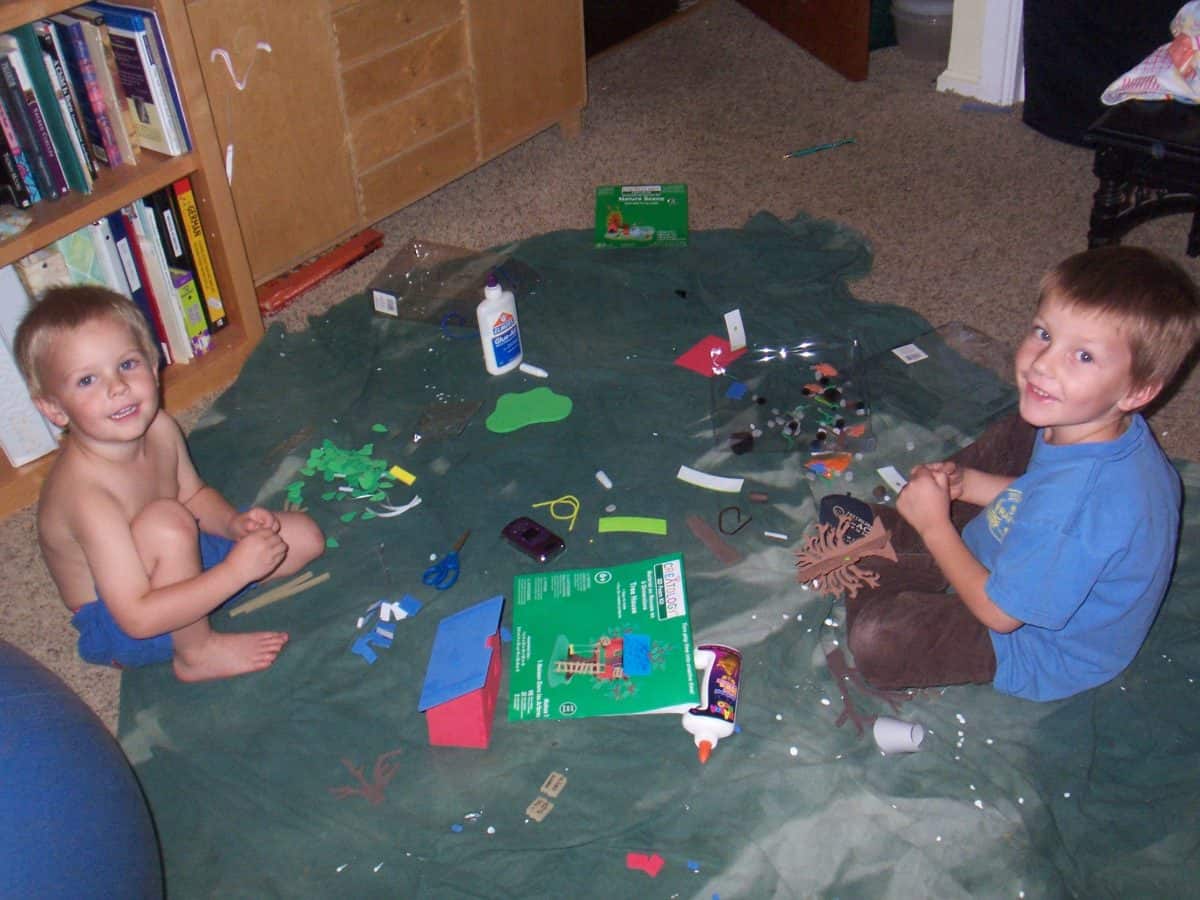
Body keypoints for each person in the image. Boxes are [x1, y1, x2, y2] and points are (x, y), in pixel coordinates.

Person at [847, 246, 1200, 702]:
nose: (1043, 363)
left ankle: (921, 544)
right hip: (1048, 542)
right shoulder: (1101, 427)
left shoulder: (1074, 509)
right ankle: (929, 530)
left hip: (1032, 647)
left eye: (1084, 357)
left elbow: (1000, 614)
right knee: (1026, 423)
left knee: (880, 641)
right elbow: (1041, 492)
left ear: (1137, 391)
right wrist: (970, 485)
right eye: (1043, 333)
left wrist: (936, 526)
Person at [14, 285, 325, 682]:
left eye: (127, 365)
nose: (117, 387)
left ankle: (201, 594)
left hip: (173, 555)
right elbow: (138, 617)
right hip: (122, 623)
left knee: (301, 538)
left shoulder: (159, 427)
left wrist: (234, 526)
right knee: (167, 522)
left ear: (153, 361)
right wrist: (234, 572)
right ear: (55, 409)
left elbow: (192, 495)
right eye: (87, 380)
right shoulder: (87, 497)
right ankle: (196, 653)